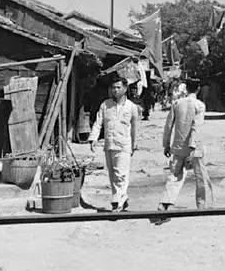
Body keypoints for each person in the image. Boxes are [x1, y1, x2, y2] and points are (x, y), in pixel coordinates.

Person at [153, 79, 210, 224]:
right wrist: (192, 148)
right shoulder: (199, 105)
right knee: (200, 177)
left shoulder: (177, 103)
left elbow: (168, 126)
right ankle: (201, 207)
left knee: (174, 176)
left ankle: (165, 204)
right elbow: (196, 128)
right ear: (198, 89)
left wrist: (166, 145)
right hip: (194, 148)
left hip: (177, 146)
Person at [89, 76, 140, 212]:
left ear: (124, 89)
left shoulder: (132, 107)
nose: (115, 90)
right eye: (113, 87)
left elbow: (135, 128)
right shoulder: (105, 105)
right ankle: (123, 197)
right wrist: (93, 138)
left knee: (120, 174)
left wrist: (134, 144)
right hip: (109, 144)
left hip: (124, 145)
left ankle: (117, 201)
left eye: (118, 87)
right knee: (112, 175)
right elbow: (98, 122)